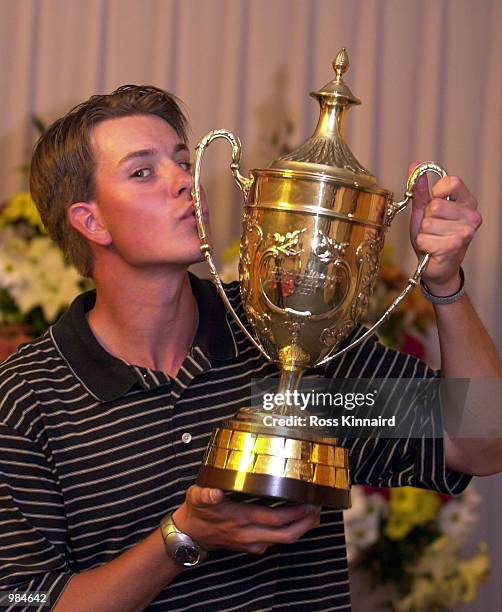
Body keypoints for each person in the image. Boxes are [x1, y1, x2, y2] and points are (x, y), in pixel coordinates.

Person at [0, 85, 501, 612]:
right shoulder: (26, 399)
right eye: (143, 172)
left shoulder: (286, 325)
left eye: (182, 161)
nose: (184, 183)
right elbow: (24, 600)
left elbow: (482, 443)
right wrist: (184, 536)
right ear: (90, 220)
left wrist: (444, 282)